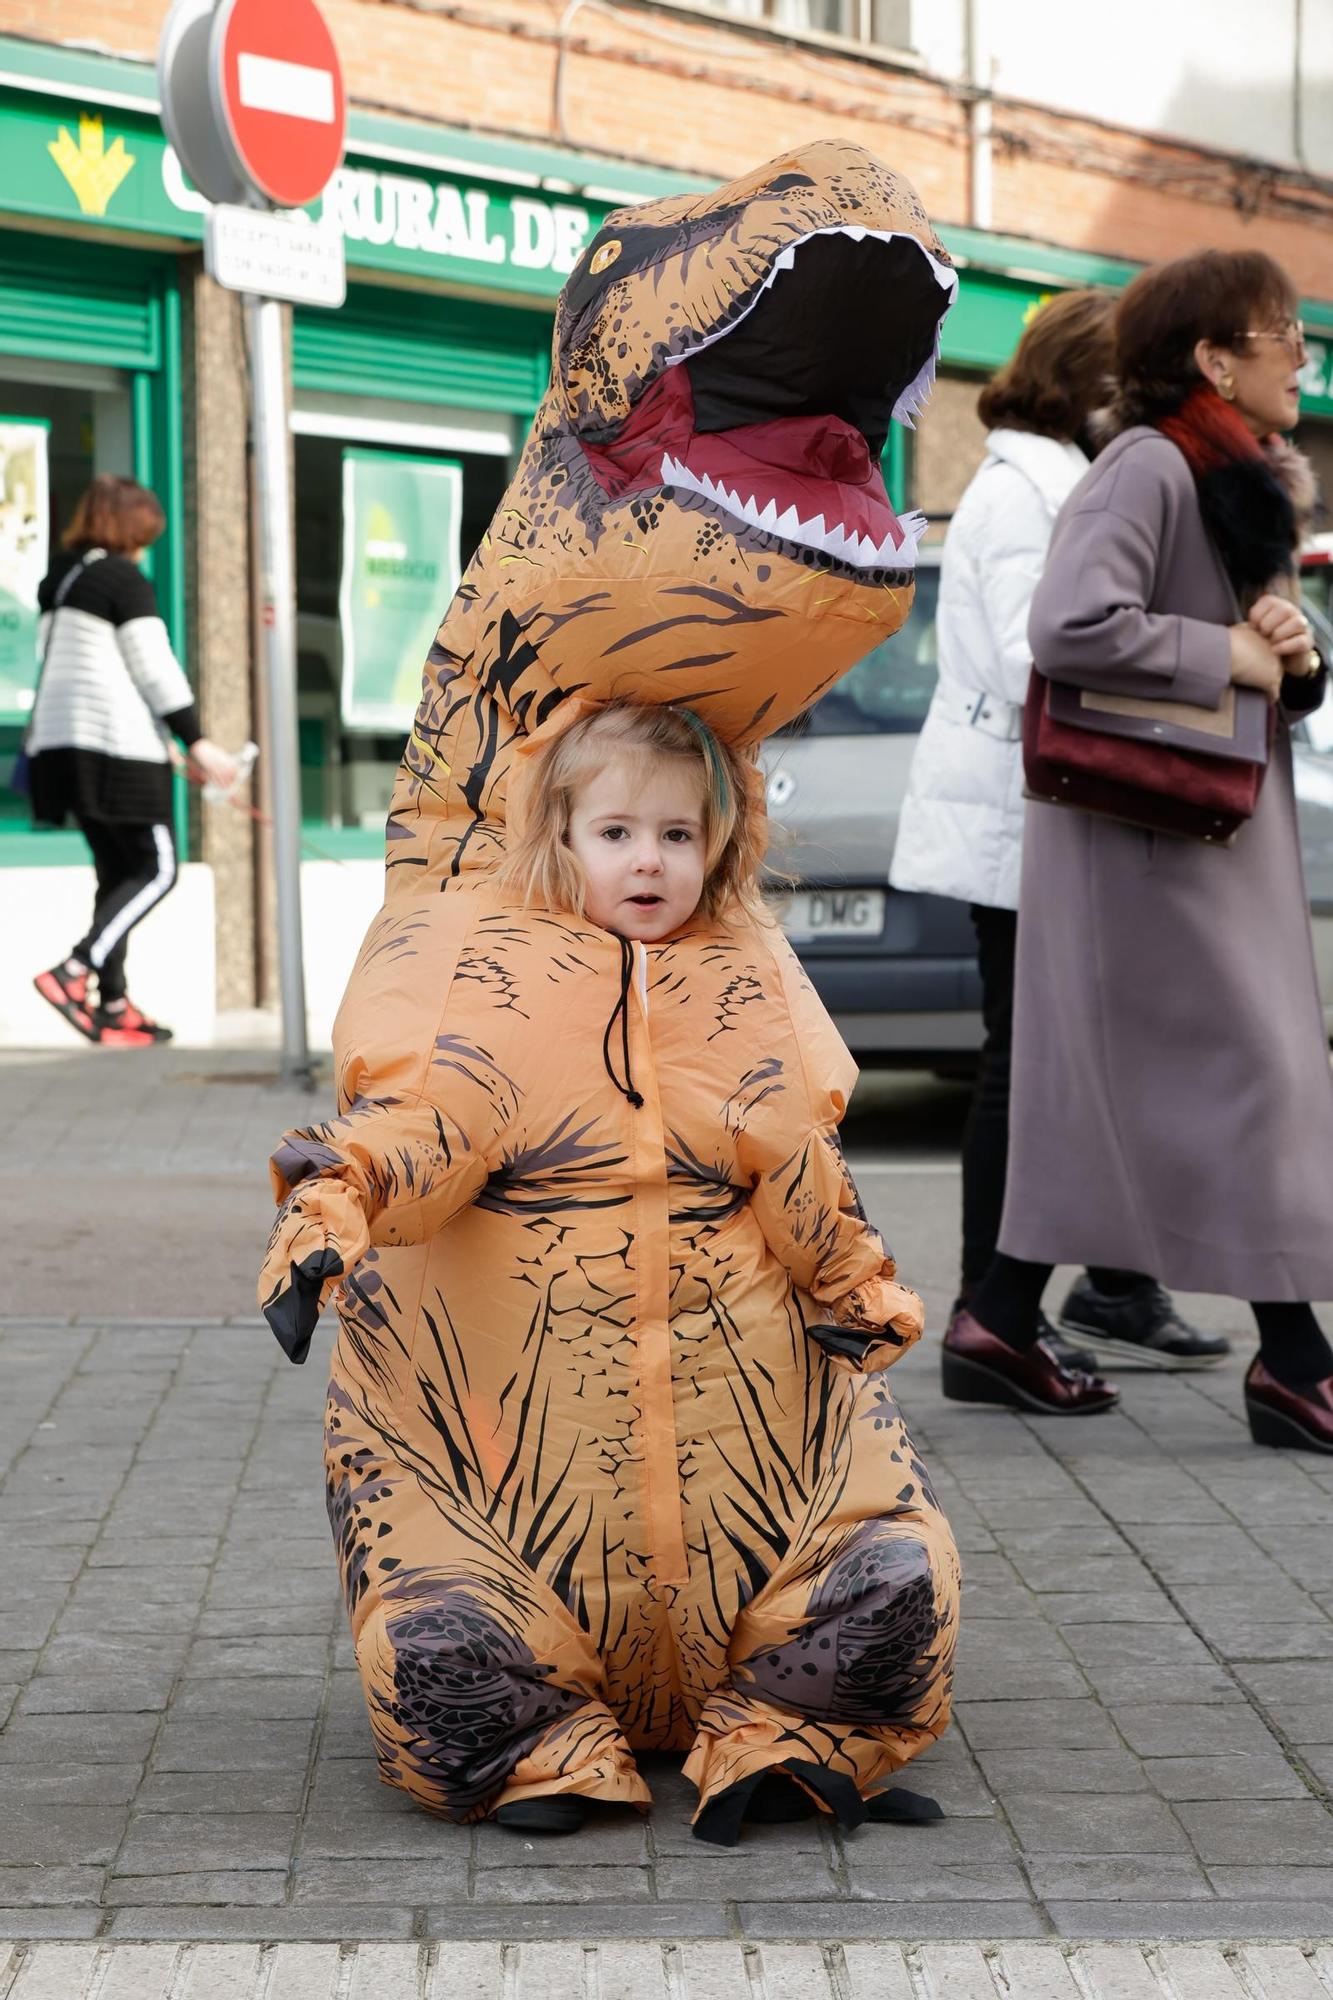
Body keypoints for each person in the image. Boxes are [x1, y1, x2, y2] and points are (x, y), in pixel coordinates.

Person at [258, 700, 959, 1842]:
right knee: (446, 1635)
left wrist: (863, 1293)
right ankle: (532, 1744)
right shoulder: (492, 982)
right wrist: (320, 1218)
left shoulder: (746, 979)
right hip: (523, 1482)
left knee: (882, 1576)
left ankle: (795, 1725)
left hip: (746, 1460)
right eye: (619, 832)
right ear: (559, 838)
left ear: (719, 847)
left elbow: (802, 1167)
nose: (650, 859)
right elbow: (410, 1133)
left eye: (679, 836)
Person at [943, 248, 1333, 1453]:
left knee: (1129, 1092)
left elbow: (1260, 657)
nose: (1304, 362)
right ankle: (1296, 1358)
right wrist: (1228, 654)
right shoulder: (1148, 463)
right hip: (1148, 845)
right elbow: (1070, 625)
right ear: (1216, 358)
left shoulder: (1236, 473)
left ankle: (998, 1319)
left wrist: (1291, 646)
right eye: (1285, 338)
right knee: (1255, 1076)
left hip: (1201, 832)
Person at [893, 290, 1223, 1389]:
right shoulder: (1019, 498)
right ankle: (992, 1311)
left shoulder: (1050, 487)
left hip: (1044, 810)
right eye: (1121, 390)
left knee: (1082, 1057)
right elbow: (1043, 658)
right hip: (1018, 816)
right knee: (1019, 1066)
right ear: (1087, 388)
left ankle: (1102, 1287)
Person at [25, 474, 235, 1046]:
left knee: (116, 874)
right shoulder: (123, 579)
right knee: (157, 868)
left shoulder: (61, 577)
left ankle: (114, 1004)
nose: (148, 546)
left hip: (63, 746)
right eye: (146, 533)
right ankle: (74, 971)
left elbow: (90, 672)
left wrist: (166, 749)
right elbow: (152, 666)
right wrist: (197, 741)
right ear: (131, 530)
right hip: (115, 749)